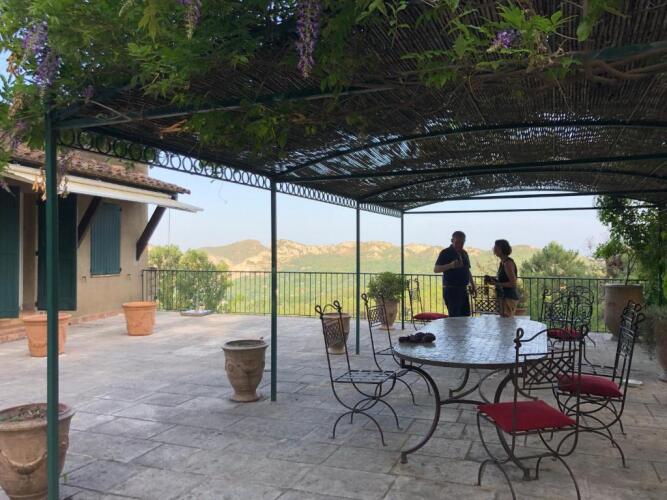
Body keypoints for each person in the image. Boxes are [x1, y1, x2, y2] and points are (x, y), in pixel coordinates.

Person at [434, 231, 476, 317]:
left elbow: (467, 270)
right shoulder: (445, 252)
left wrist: (473, 285)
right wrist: (450, 265)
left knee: (465, 317)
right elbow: (436, 269)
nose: (459, 245)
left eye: (462, 243)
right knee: (455, 318)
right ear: (452, 240)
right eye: (457, 242)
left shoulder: (464, 253)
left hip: (463, 290)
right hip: (451, 290)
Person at [485, 239, 519, 317]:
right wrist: (494, 280)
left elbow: (513, 284)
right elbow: (505, 280)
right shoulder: (503, 262)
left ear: (501, 249)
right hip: (504, 297)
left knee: (506, 322)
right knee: (504, 322)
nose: (494, 249)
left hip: (509, 297)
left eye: (495, 247)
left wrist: (496, 283)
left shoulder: (507, 263)